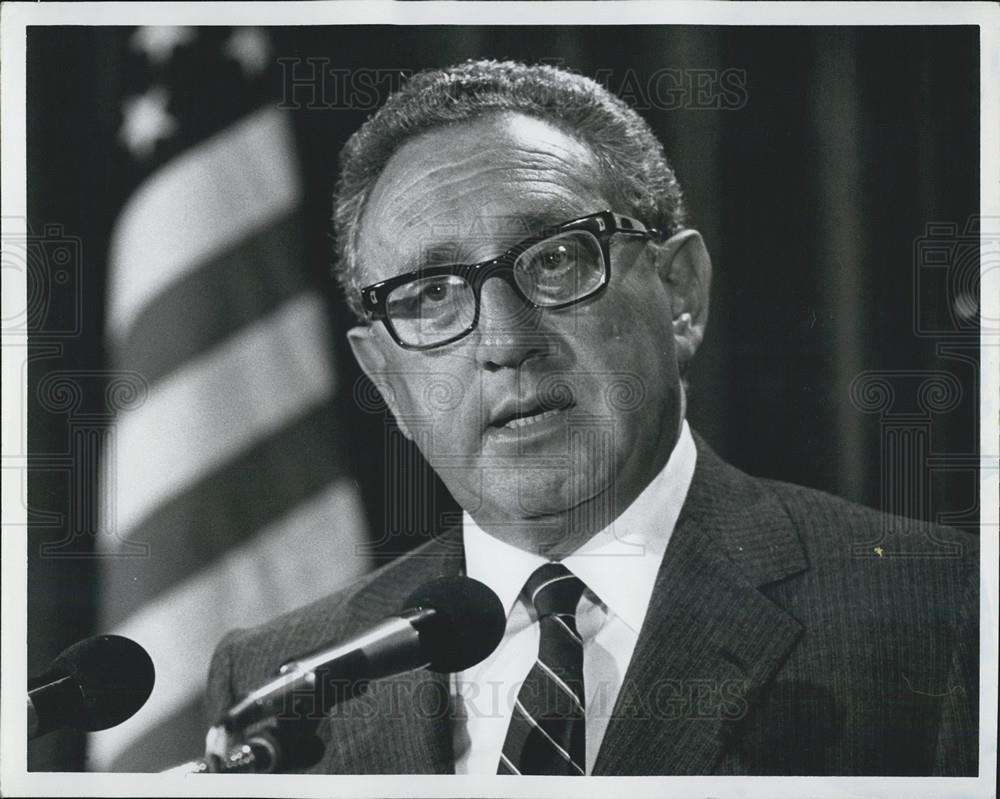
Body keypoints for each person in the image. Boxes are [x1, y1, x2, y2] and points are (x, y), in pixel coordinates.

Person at [205, 59, 979, 776]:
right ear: (387, 378)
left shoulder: (946, 613)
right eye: (432, 294)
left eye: (555, 259)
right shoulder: (281, 681)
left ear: (680, 293)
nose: (506, 341)